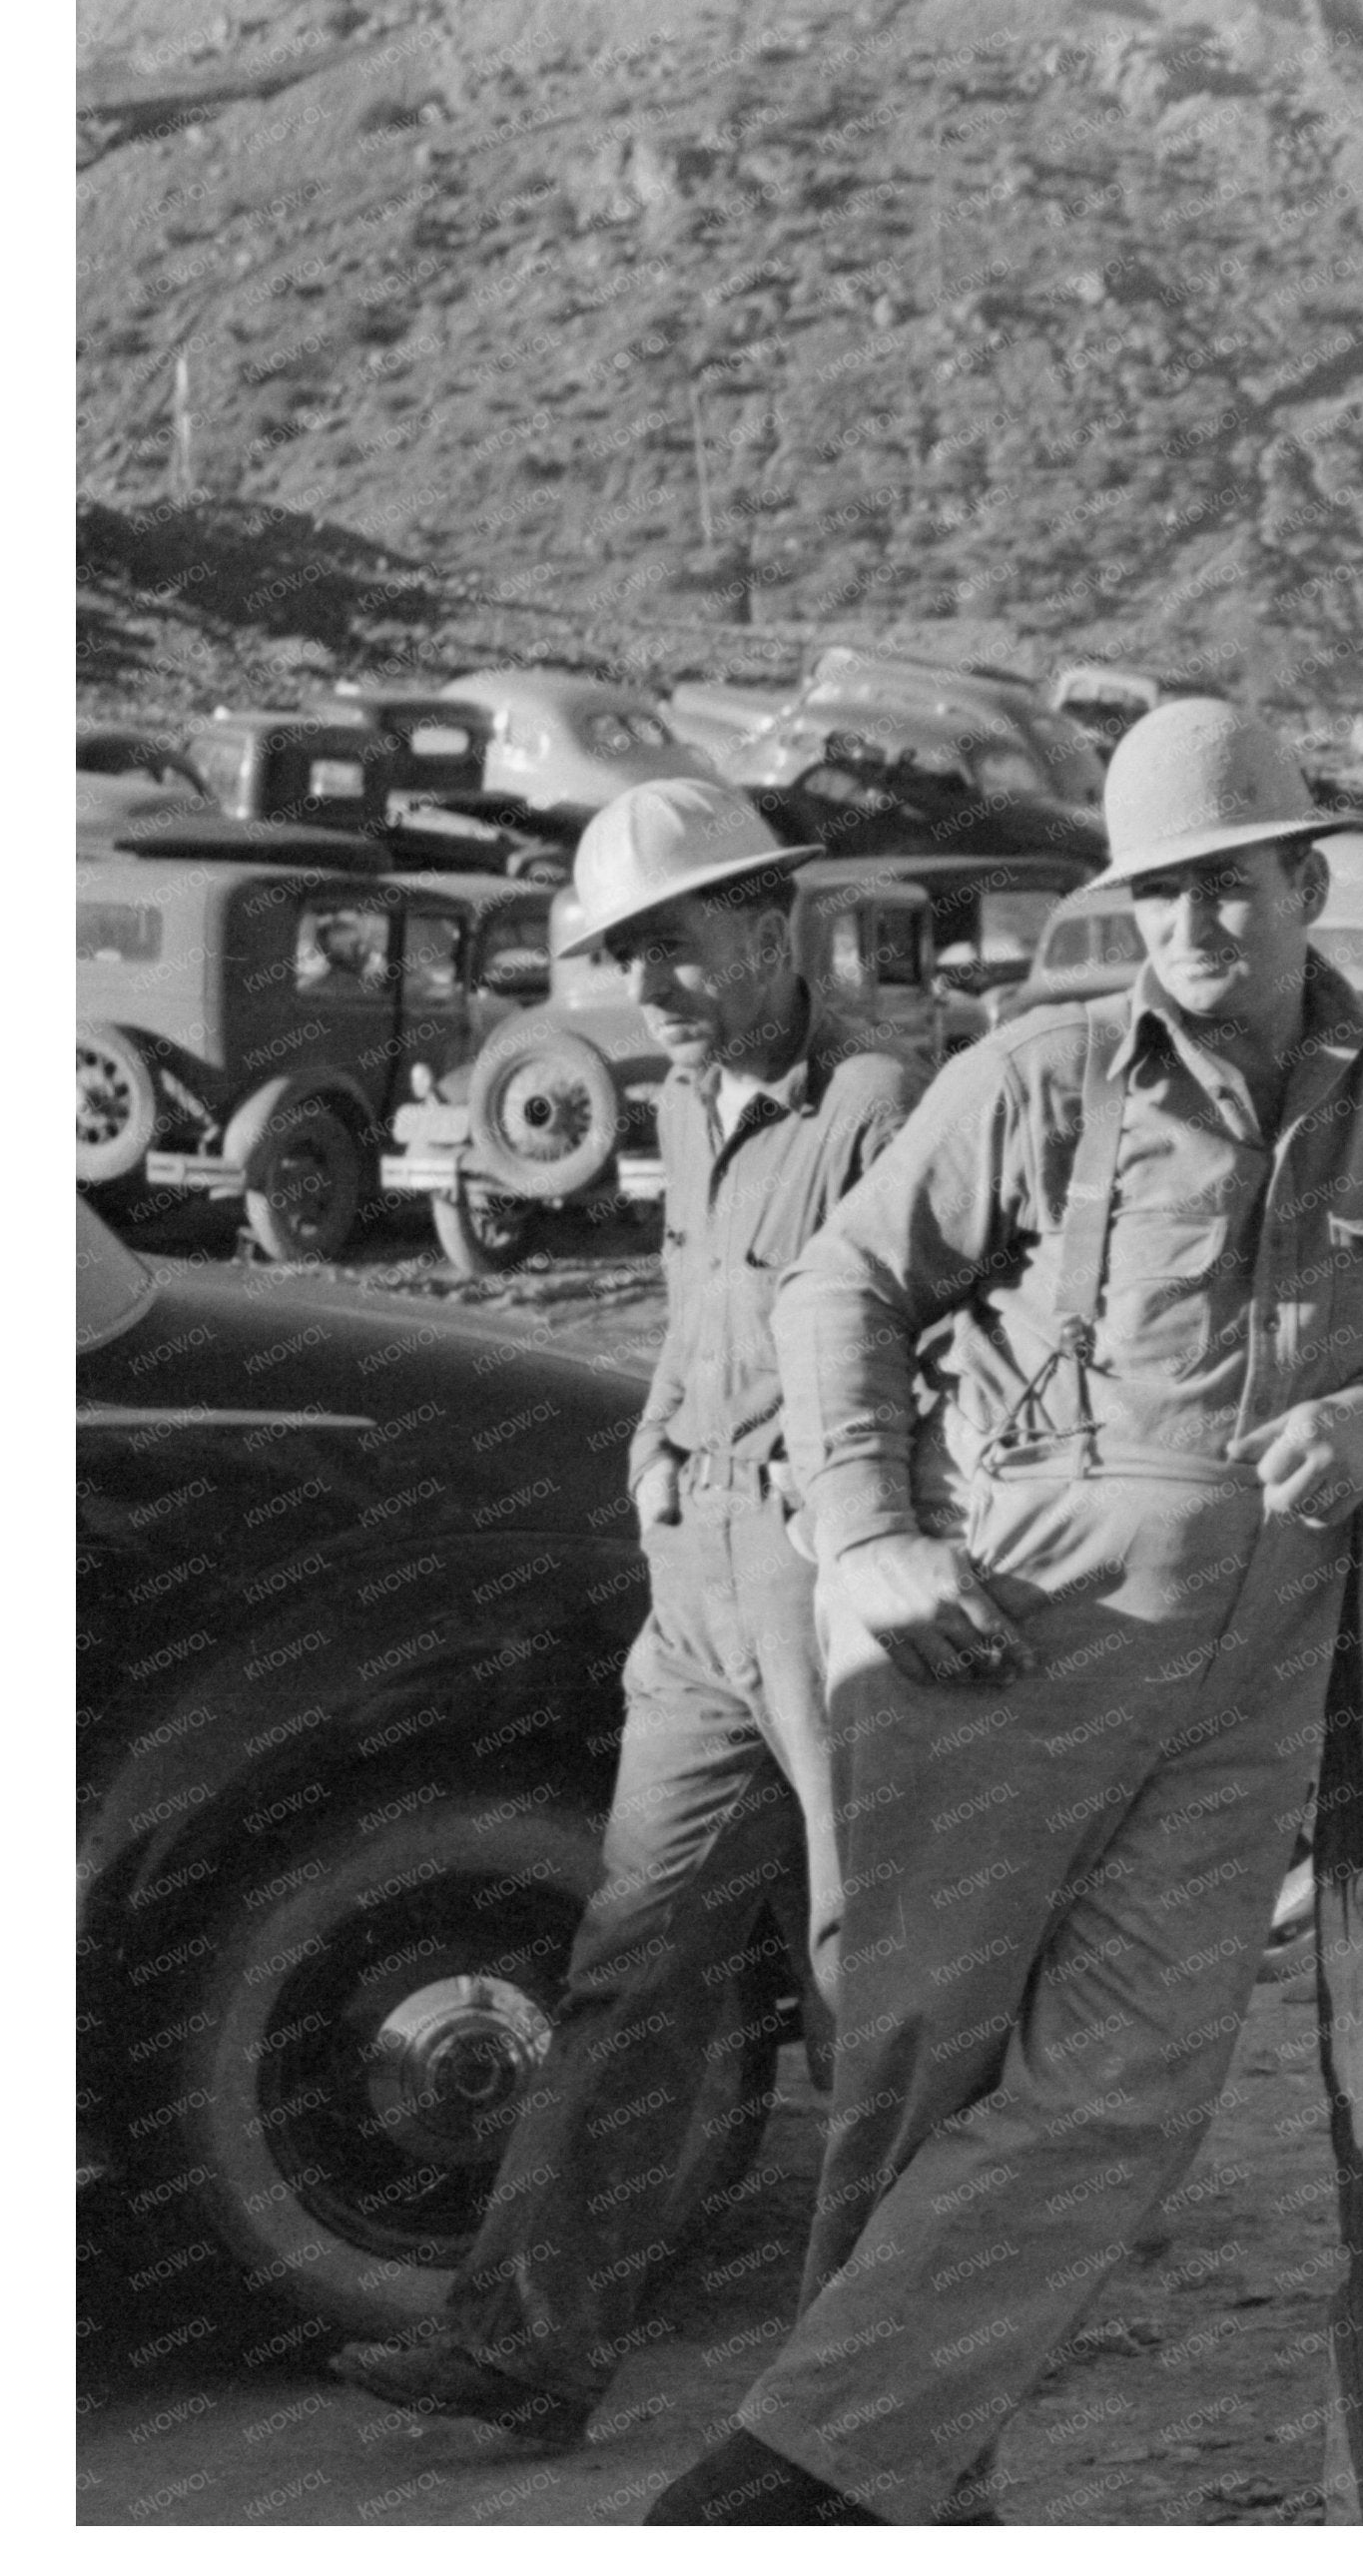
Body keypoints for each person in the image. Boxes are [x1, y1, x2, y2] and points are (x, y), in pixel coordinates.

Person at [645, 703, 1363, 2524]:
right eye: (1164, 895)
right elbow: (839, 1289)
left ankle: (796, 2480)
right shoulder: (1045, 1078)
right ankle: (882, 2501)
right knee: (915, 2074)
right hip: (1007, 1637)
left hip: (1256, 1671)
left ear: (1308, 883)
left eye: (1233, 888)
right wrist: (868, 1539)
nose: (1200, 929)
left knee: (1126, 2096)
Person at [335, 780, 922, 2447]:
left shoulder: (880, 1103)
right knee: (630, 1964)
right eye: (623, 956)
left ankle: (861, 2398)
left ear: (769, 925)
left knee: (859, 1979)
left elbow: (944, 1347)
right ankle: (523, 2344)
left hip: (827, 1599)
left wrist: (860, 1540)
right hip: (700, 1604)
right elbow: (699, 1305)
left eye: (672, 946)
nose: (648, 988)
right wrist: (661, 1449)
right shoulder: (683, 1103)